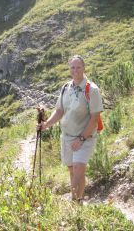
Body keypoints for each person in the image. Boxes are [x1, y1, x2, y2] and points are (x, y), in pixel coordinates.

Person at [37, 55, 103, 203]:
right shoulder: (66, 88)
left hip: (85, 137)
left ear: (84, 68)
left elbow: (94, 118)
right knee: (73, 171)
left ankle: (74, 205)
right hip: (66, 137)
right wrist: (46, 124)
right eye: (72, 67)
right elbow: (60, 111)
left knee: (79, 169)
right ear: (69, 69)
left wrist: (81, 139)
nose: (75, 70)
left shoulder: (92, 90)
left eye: (78, 67)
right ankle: (78, 202)